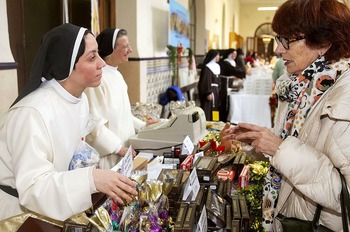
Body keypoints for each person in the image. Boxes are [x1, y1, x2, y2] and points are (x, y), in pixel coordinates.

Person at [224, 0, 350, 231]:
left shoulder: (345, 96)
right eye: (278, 39)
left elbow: (343, 193)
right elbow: (293, 146)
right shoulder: (298, 86)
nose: (278, 49)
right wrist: (258, 140)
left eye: (287, 40)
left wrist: (280, 149)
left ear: (323, 42)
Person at [0, 23, 138, 223]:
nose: (101, 63)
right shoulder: (32, 113)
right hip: (16, 216)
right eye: (92, 57)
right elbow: (33, 189)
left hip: (50, 207)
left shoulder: (79, 100)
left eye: (99, 54)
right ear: (66, 63)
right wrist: (91, 179)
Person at [84, 28, 155, 169]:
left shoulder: (117, 75)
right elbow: (93, 123)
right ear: (110, 49)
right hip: (110, 154)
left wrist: (143, 125)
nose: (130, 49)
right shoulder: (97, 77)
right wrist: (116, 148)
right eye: (125, 46)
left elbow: (123, 113)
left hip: (124, 150)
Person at [198, 49, 221, 121]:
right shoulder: (207, 67)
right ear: (213, 56)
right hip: (210, 92)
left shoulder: (217, 66)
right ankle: (206, 124)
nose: (219, 57)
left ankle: (215, 123)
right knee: (208, 110)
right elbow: (205, 81)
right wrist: (207, 92)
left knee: (215, 109)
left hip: (216, 92)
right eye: (217, 55)